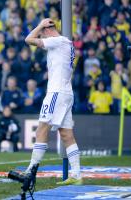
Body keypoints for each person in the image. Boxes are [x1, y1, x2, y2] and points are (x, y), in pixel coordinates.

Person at [23, 18, 82, 185]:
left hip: (56, 92)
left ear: (48, 30)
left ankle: (31, 170)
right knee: (66, 134)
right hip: (66, 92)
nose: (42, 36)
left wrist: (40, 25)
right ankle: (77, 174)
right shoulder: (66, 43)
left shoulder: (57, 41)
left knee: (41, 129)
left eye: (43, 33)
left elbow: (28, 39)